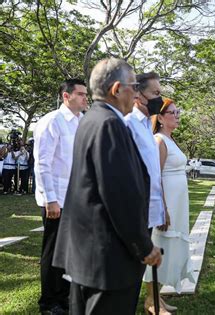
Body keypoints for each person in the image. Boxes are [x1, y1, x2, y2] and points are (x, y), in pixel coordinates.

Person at [52, 58, 162, 314]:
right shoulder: (110, 125)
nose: (136, 93)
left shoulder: (92, 119)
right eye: (133, 86)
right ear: (116, 90)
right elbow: (119, 196)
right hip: (107, 259)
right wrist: (144, 247)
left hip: (89, 255)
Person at [33, 78, 88, 315]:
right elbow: (42, 163)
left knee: (71, 251)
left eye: (86, 94)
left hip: (77, 198)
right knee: (54, 251)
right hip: (57, 198)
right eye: (81, 94)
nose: (86, 98)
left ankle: (65, 296)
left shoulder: (83, 121)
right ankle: (49, 302)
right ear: (66, 96)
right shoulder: (51, 121)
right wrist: (50, 199)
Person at [124, 72, 173, 315]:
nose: (159, 99)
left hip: (147, 210)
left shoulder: (146, 126)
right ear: (137, 96)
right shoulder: (127, 125)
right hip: (132, 211)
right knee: (126, 272)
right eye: (155, 94)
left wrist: (160, 208)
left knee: (134, 272)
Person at [150, 98, 195, 298]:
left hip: (178, 203)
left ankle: (158, 296)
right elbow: (156, 177)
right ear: (159, 117)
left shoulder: (170, 139)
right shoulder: (159, 140)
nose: (177, 117)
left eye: (178, 113)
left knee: (169, 247)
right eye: (172, 113)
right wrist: (162, 209)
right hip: (167, 203)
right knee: (159, 244)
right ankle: (150, 299)